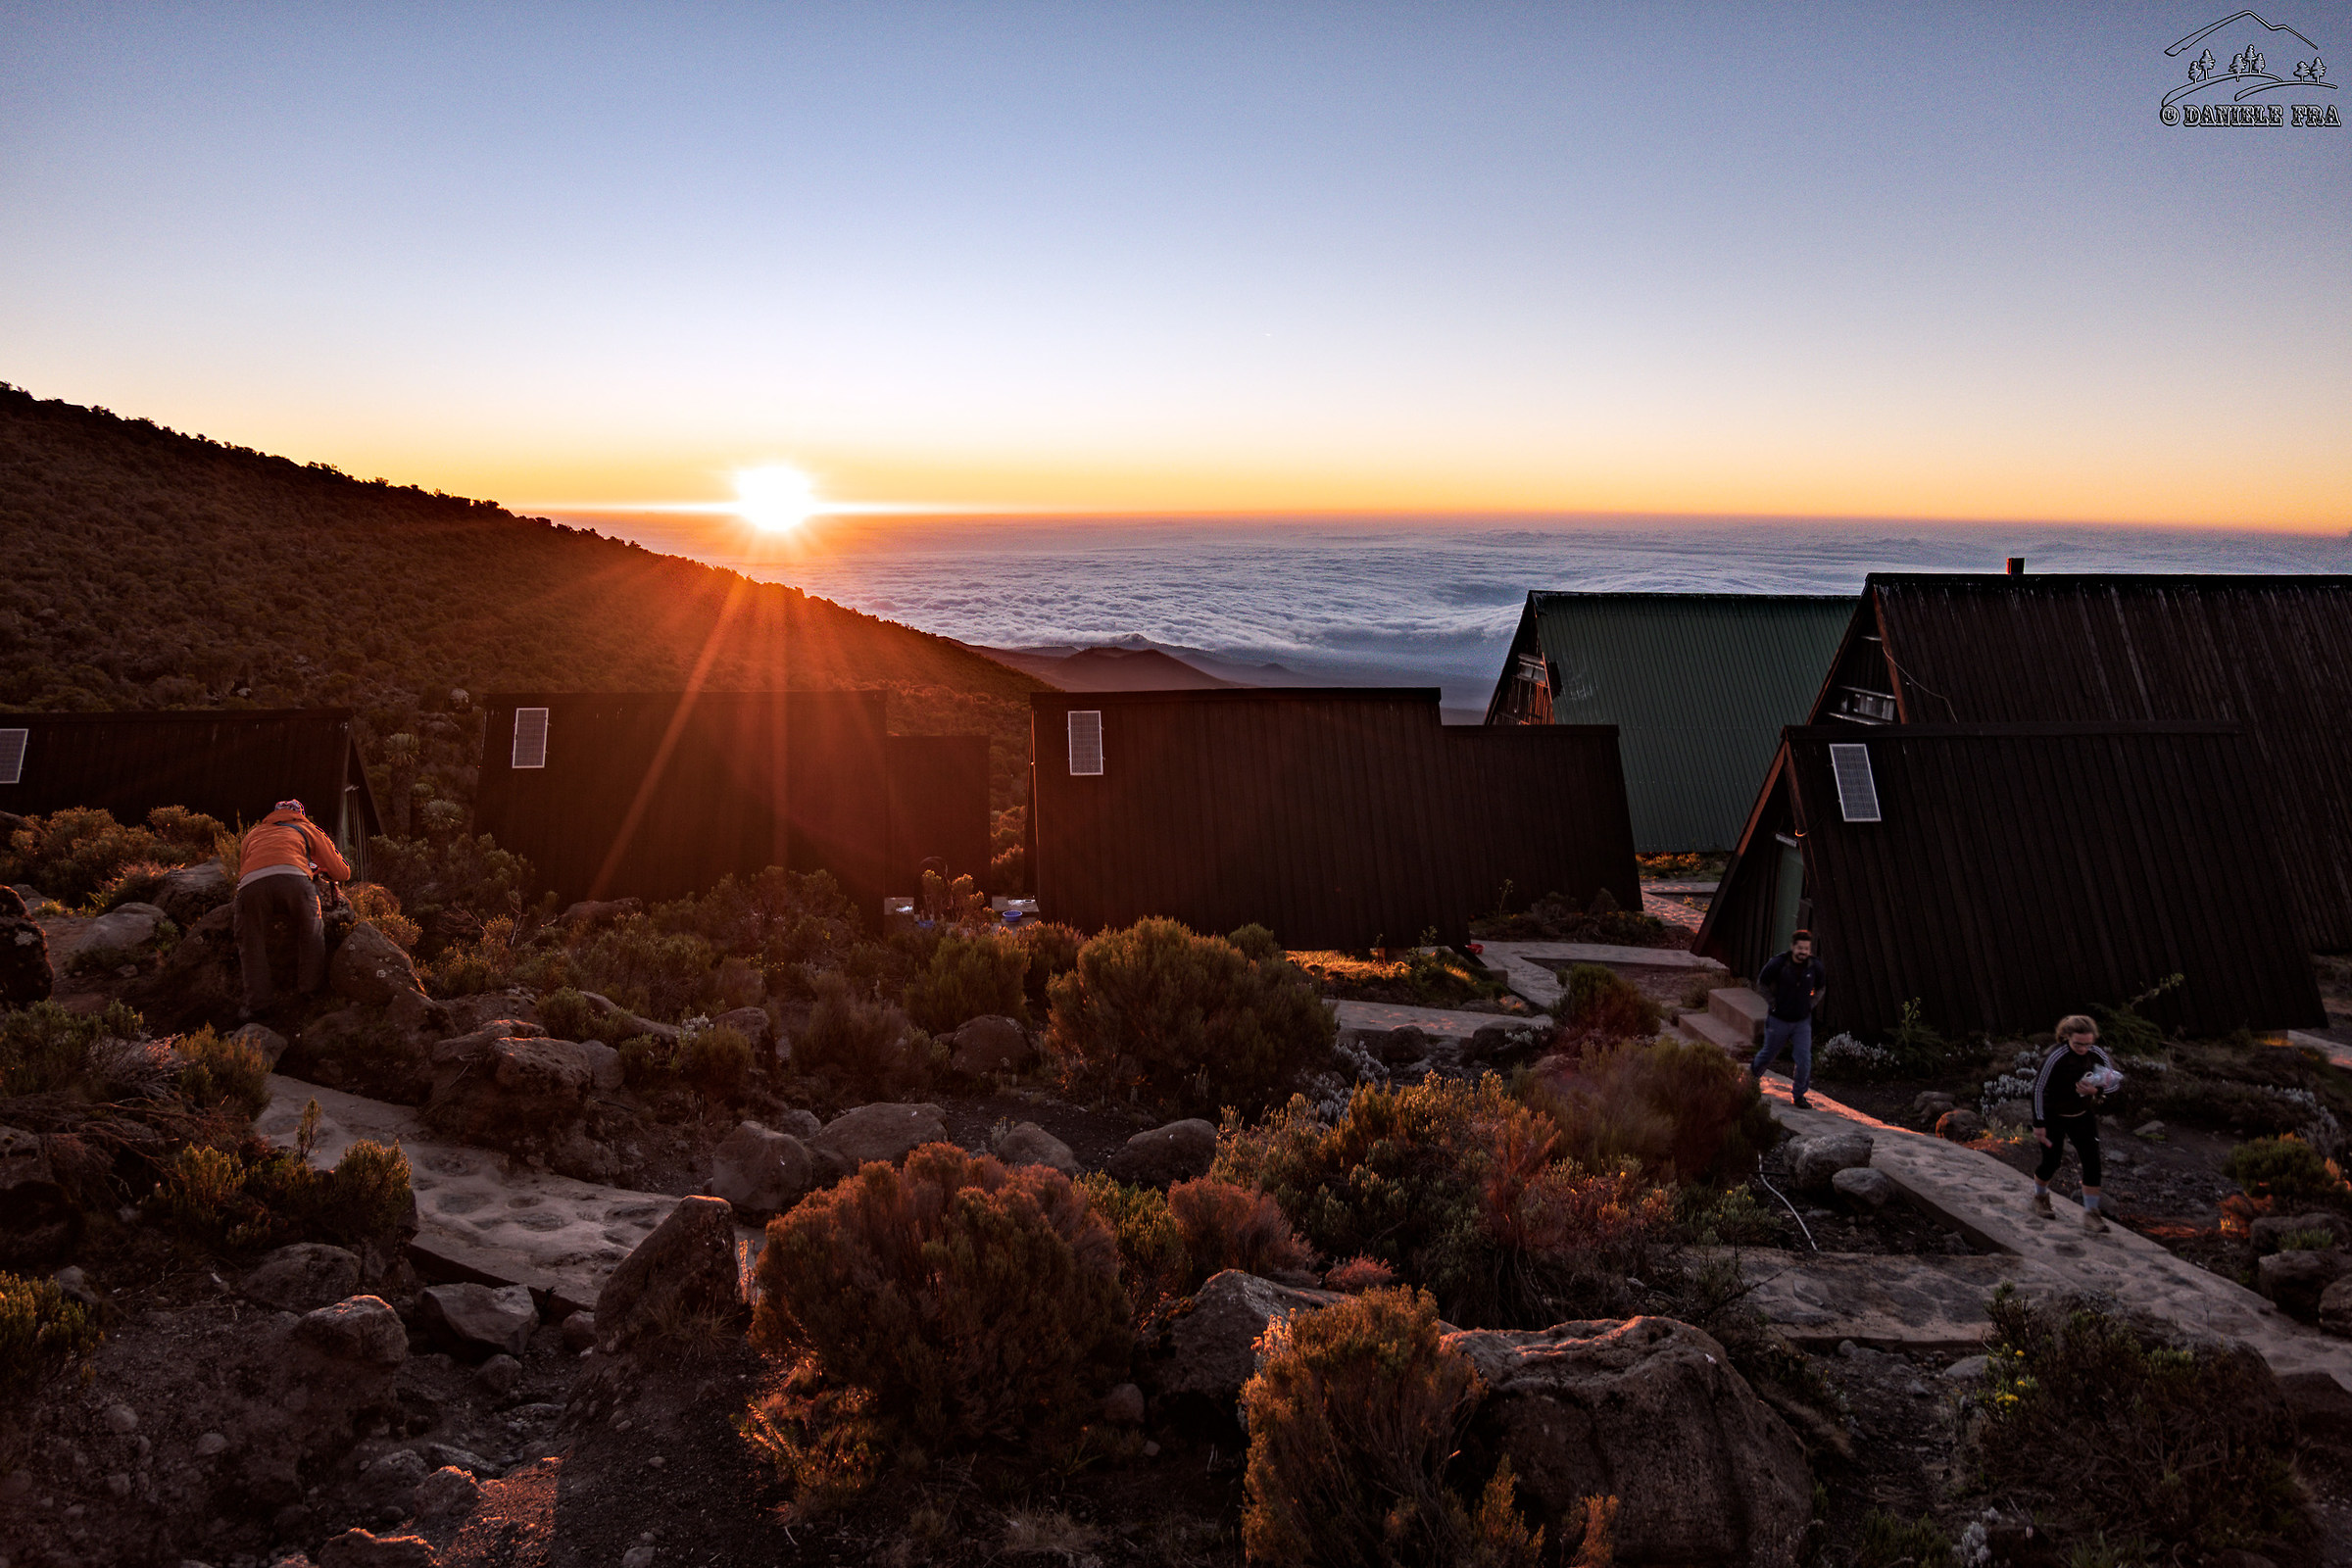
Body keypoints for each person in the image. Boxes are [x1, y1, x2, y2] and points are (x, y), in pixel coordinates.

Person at [235, 798, 350, 1019]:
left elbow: (246, 867)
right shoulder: (306, 828)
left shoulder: (253, 834)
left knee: (250, 940)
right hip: (295, 880)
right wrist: (318, 869)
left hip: (252, 885)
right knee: (312, 929)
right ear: (300, 813)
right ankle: (310, 991)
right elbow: (341, 872)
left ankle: (258, 1005)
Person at [2031, 1014, 2117, 1233]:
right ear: (2066, 1037)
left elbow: (2115, 1081)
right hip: (2053, 1117)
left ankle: (2092, 1213)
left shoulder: (2096, 1053)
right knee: (2051, 1162)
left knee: (2092, 1162)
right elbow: (2038, 1089)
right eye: (2078, 1043)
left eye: (2088, 1043)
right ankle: (2040, 1197)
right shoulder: (2056, 1055)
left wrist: (2096, 1090)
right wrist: (2038, 1123)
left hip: (2082, 1115)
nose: (2083, 1048)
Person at [1750, 929, 1826, 1109]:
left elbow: (1821, 988)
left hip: (1801, 1022)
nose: (1803, 952)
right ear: (1793, 947)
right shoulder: (1779, 963)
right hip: (1779, 1020)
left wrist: (1810, 1005)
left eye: (1806, 948)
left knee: (1804, 1059)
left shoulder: (1815, 966)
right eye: (1800, 948)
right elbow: (1762, 983)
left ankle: (1799, 1095)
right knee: (1768, 1054)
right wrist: (1774, 1004)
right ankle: (1749, 1082)